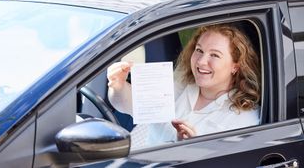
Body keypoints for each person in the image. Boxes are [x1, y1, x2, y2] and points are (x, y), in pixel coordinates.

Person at [107, 23, 261, 146]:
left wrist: (192, 150)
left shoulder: (245, 118)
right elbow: (127, 105)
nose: (201, 61)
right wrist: (118, 84)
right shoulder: (178, 83)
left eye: (214, 55)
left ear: (236, 66)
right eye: (199, 50)